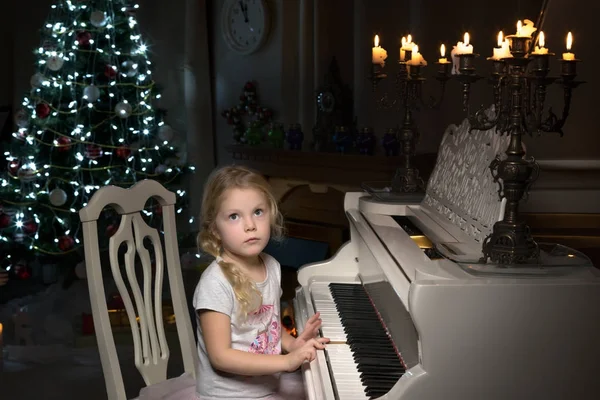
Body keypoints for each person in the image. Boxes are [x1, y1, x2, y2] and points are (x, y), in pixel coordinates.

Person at [193, 165, 328, 400]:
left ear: (271, 214)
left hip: (268, 385)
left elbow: (269, 325)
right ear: (215, 229)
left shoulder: (272, 266)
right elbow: (220, 357)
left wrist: (293, 345)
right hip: (229, 396)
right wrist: (285, 362)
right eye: (234, 216)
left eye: (258, 212)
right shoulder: (215, 283)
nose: (250, 225)